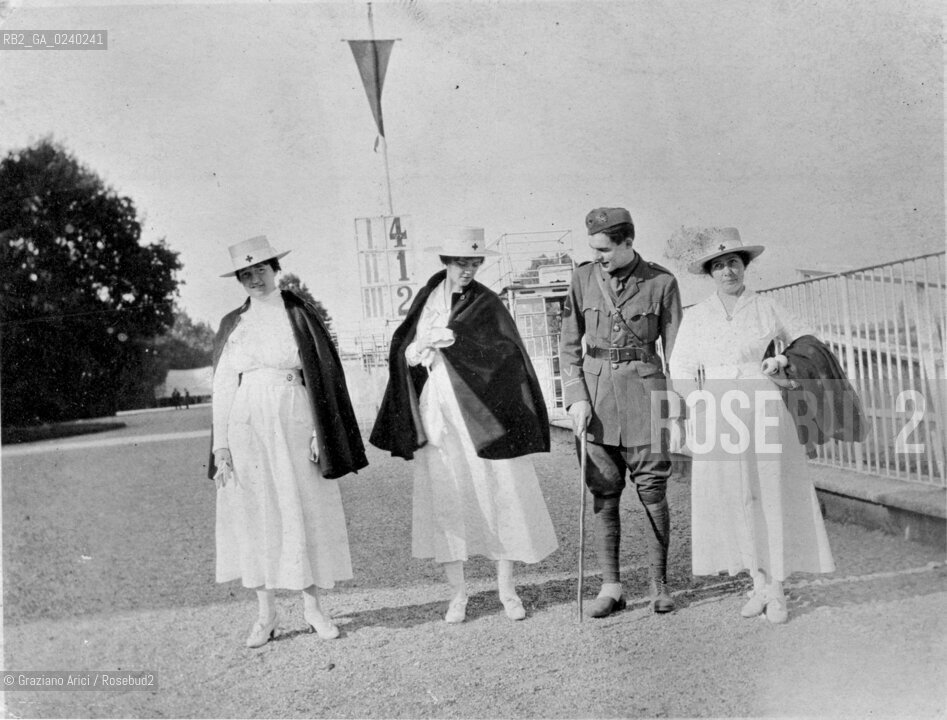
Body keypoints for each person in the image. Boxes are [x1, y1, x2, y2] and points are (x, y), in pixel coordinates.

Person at [370, 227, 558, 623]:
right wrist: (417, 349)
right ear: (446, 263)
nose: (468, 270)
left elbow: (507, 355)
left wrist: (462, 344)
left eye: (475, 263)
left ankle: (507, 589)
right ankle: (458, 595)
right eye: (461, 263)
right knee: (447, 497)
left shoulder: (486, 304)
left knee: (499, 491)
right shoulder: (426, 299)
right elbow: (404, 349)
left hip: (484, 413)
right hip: (438, 409)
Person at [668, 227, 835, 624]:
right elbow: (680, 368)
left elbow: (812, 339)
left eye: (734, 263)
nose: (728, 271)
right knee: (735, 494)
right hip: (719, 410)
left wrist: (781, 362)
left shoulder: (766, 306)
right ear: (710, 273)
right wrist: (700, 403)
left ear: (745, 266)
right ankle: (757, 582)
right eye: (720, 265)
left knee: (769, 488)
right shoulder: (697, 316)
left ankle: (777, 587)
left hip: (763, 404)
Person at [207, 235, 368, 647]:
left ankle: (313, 609)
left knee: (303, 508)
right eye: (245, 274)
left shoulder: (299, 313)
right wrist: (220, 445)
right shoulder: (233, 323)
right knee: (256, 512)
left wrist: (320, 428)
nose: (254, 279)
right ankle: (266, 616)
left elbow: (321, 374)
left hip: (294, 415)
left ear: (274, 269)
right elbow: (224, 383)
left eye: (260, 269)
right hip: (247, 422)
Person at [559, 207, 683, 618]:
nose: (599, 257)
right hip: (595, 403)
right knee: (603, 491)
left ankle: (659, 584)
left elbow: (677, 352)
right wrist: (575, 395)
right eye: (593, 250)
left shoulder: (662, 282)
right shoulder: (581, 279)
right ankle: (611, 586)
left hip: (647, 400)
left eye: (606, 250)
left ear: (629, 242)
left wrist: (677, 407)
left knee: (652, 491)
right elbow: (570, 344)